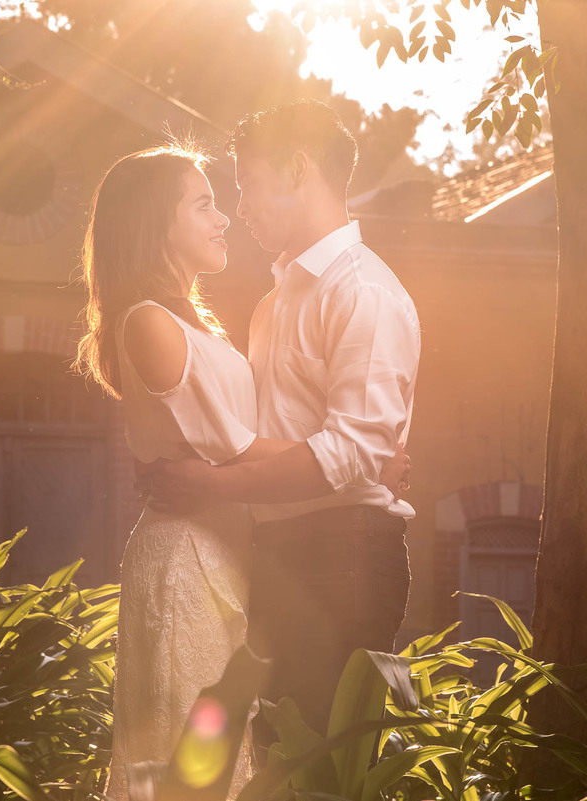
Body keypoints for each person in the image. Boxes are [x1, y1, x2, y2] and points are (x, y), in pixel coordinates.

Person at [74, 142, 408, 800]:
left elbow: (242, 443)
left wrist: (359, 450)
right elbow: (238, 448)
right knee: (188, 763)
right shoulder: (149, 323)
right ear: (155, 222)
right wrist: (362, 458)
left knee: (224, 757)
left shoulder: (190, 321)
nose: (224, 216)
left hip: (227, 554)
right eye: (203, 204)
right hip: (188, 560)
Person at [141, 100, 422, 739]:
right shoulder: (276, 301)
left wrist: (213, 485)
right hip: (278, 553)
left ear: (298, 169)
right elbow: (274, 437)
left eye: (247, 184)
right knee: (275, 758)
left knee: (322, 761)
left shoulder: (362, 291)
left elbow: (352, 452)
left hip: (342, 553)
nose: (239, 207)